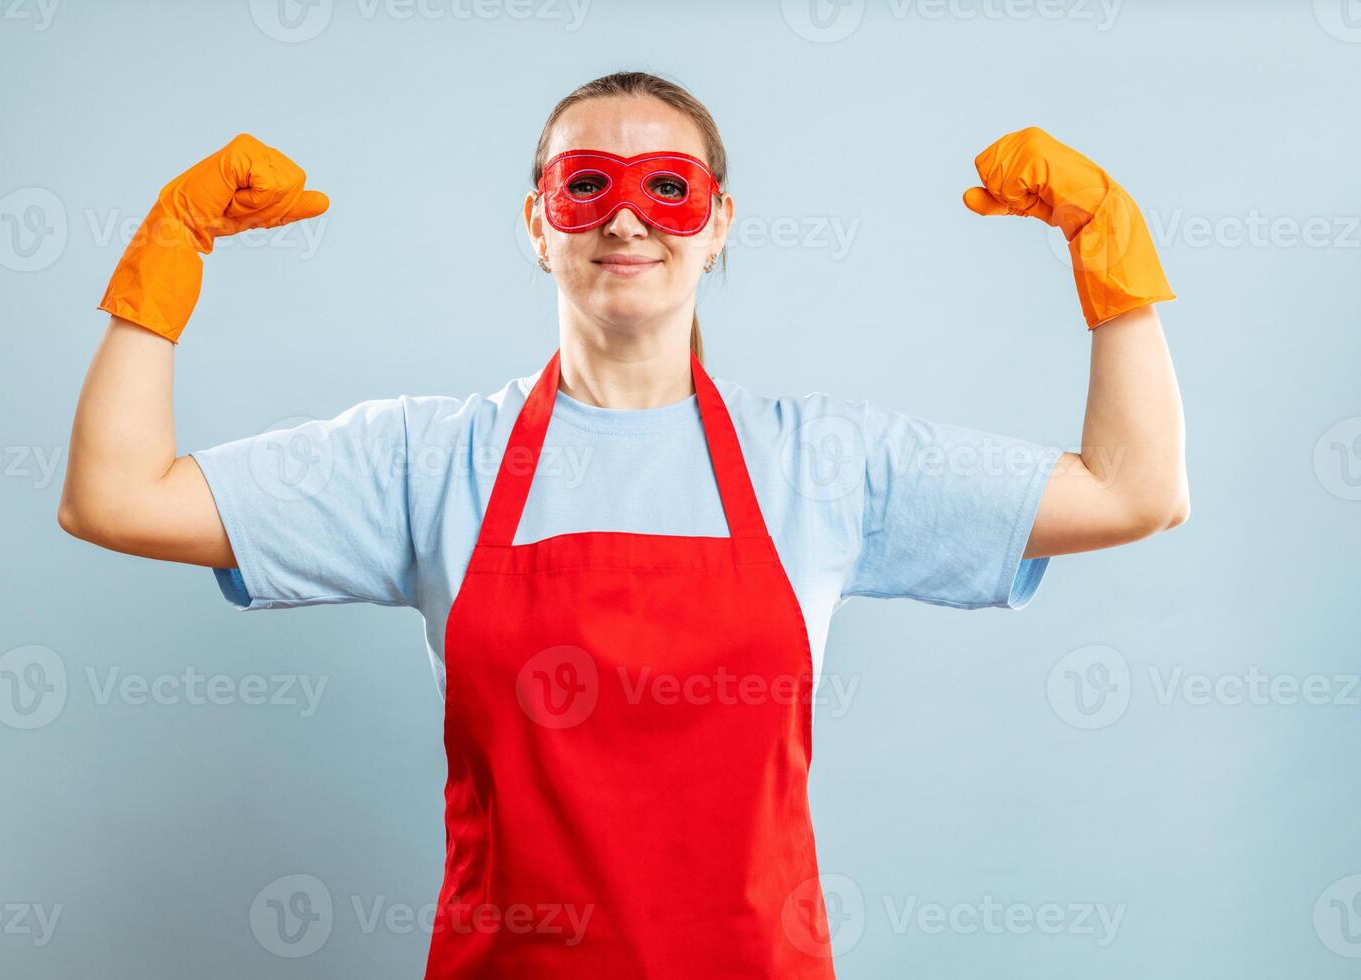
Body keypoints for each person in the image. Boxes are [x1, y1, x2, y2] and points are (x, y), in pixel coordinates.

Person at [58, 71, 1187, 979]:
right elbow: (116, 497)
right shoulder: (427, 458)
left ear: (718, 223)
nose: (630, 218)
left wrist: (1110, 256)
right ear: (539, 226)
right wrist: (168, 258)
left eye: (670, 188)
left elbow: (1133, 491)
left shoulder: (825, 463)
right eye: (586, 185)